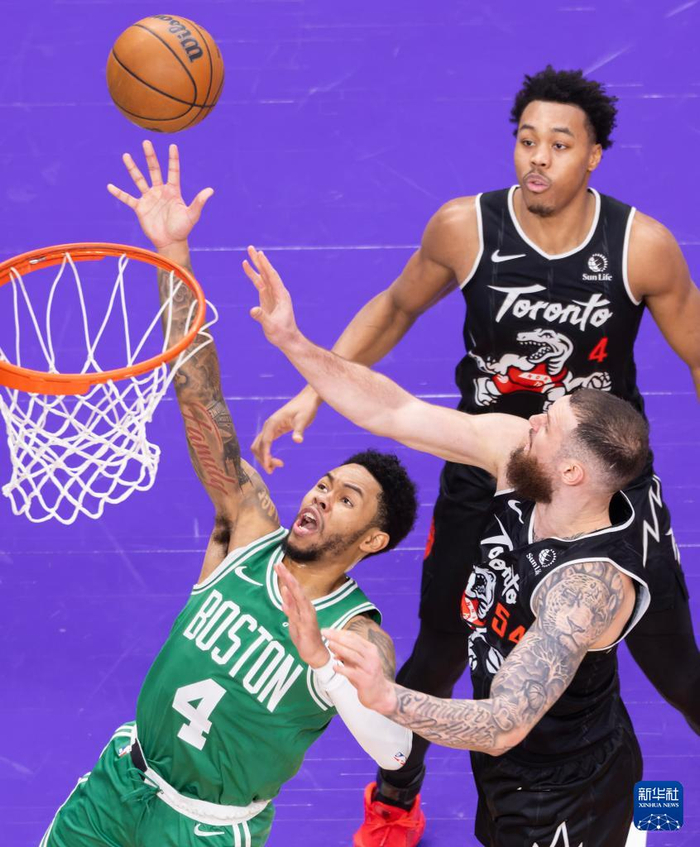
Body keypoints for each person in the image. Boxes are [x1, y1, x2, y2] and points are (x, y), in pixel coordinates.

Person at [252, 66, 700, 843]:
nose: (539, 158)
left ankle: (620, 806)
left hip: (594, 475)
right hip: (495, 464)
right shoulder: (466, 229)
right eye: (527, 140)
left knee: (676, 665)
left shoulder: (642, 247)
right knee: (440, 646)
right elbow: (396, 320)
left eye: (560, 144)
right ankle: (397, 796)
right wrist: (309, 378)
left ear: (594, 154)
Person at [39, 142, 417, 847]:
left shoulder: (357, 635)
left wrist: (325, 667)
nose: (320, 497)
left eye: (346, 500)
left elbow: (395, 749)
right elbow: (200, 396)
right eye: (324, 483)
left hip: (204, 830)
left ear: (373, 539)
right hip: (119, 785)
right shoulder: (248, 526)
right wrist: (173, 252)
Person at [244, 247, 655, 846]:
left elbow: (503, 724)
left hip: (566, 796)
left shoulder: (587, 587)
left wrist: (386, 698)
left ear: (571, 473)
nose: (531, 420)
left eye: (547, 425)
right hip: (512, 772)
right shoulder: (523, 459)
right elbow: (396, 410)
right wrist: (294, 343)